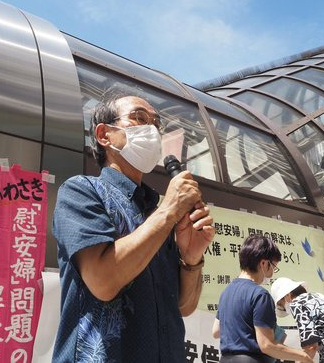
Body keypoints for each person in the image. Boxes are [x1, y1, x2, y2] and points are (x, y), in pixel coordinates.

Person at [52, 88, 215, 362]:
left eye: (156, 124)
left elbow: (184, 306)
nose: (152, 130)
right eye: (139, 118)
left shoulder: (156, 212)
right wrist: (169, 211)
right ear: (104, 135)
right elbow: (103, 281)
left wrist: (191, 258)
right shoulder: (81, 191)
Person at [212, 235, 312, 363]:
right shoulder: (260, 295)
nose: (272, 274)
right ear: (264, 263)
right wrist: (303, 356)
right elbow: (267, 345)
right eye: (274, 267)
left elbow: (216, 331)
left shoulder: (226, 292)